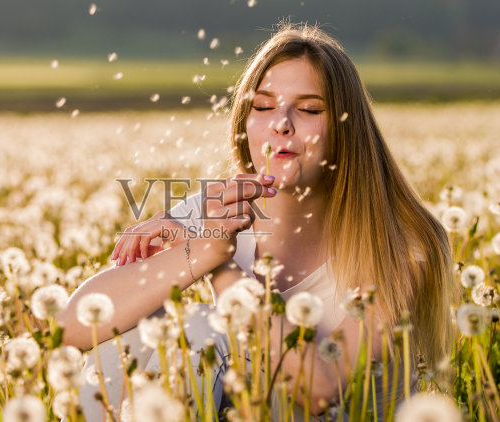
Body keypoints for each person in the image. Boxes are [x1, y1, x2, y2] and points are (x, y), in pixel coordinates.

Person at [57, 23, 455, 421]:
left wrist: (220, 266)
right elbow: (76, 329)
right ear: (244, 125)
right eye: (263, 107)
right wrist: (202, 248)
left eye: (309, 109)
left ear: (345, 130)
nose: (281, 123)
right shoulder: (218, 209)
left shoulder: (400, 241)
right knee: (139, 332)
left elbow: (322, 389)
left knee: (205, 330)